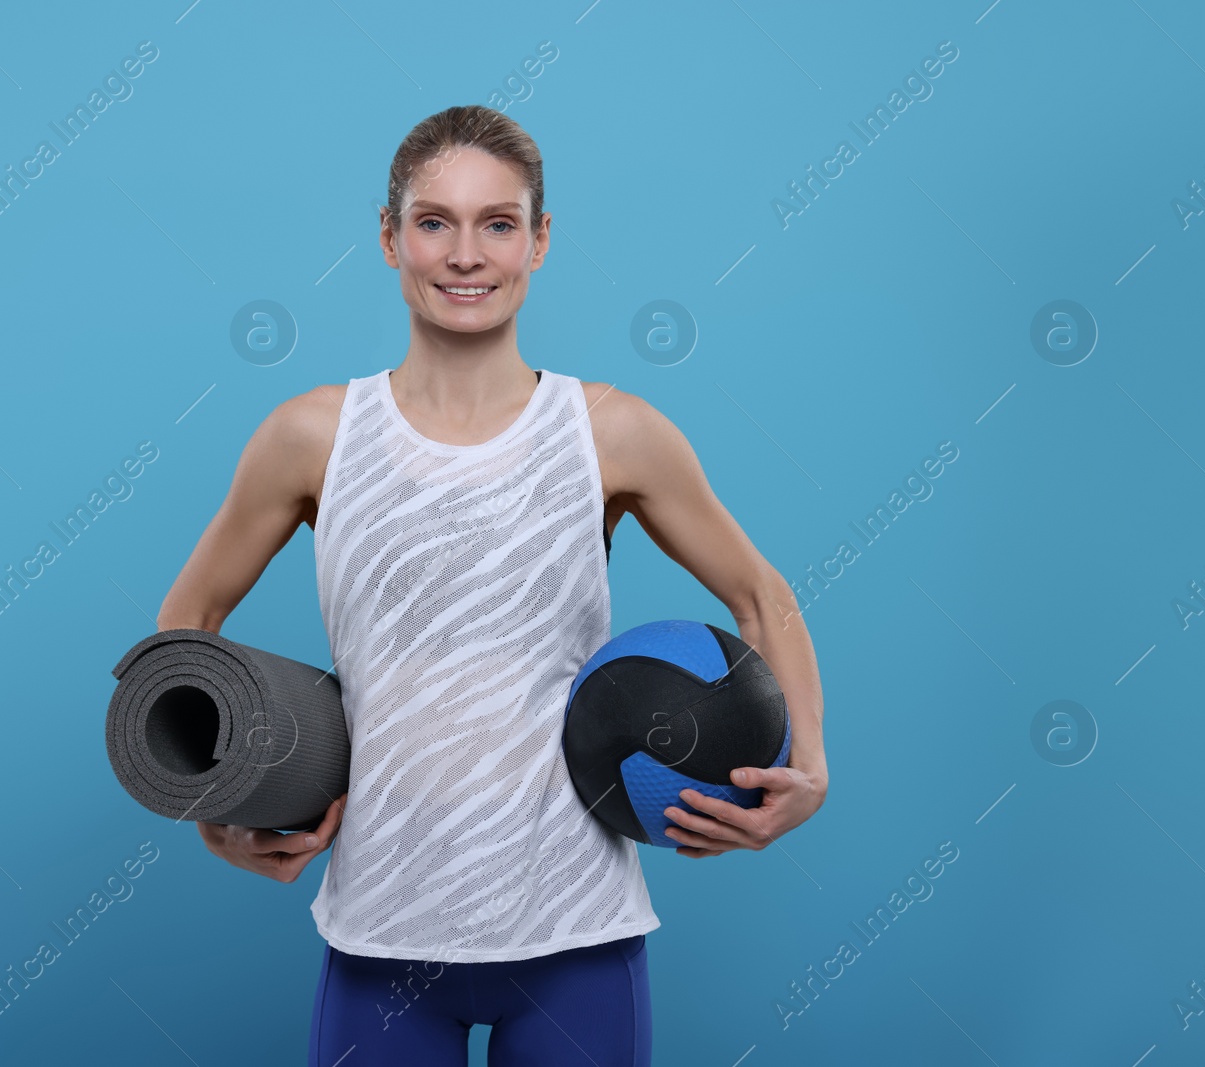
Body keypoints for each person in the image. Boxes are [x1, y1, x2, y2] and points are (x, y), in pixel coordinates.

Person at [155, 104, 828, 1067]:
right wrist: (212, 806)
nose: (465, 255)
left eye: (498, 223)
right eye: (434, 222)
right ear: (389, 238)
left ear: (540, 242)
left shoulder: (610, 431)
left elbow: (764, 597)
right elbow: (186, 631)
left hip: (576, 934)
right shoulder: (313, 436)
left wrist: (813, 768)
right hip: (381, 933)